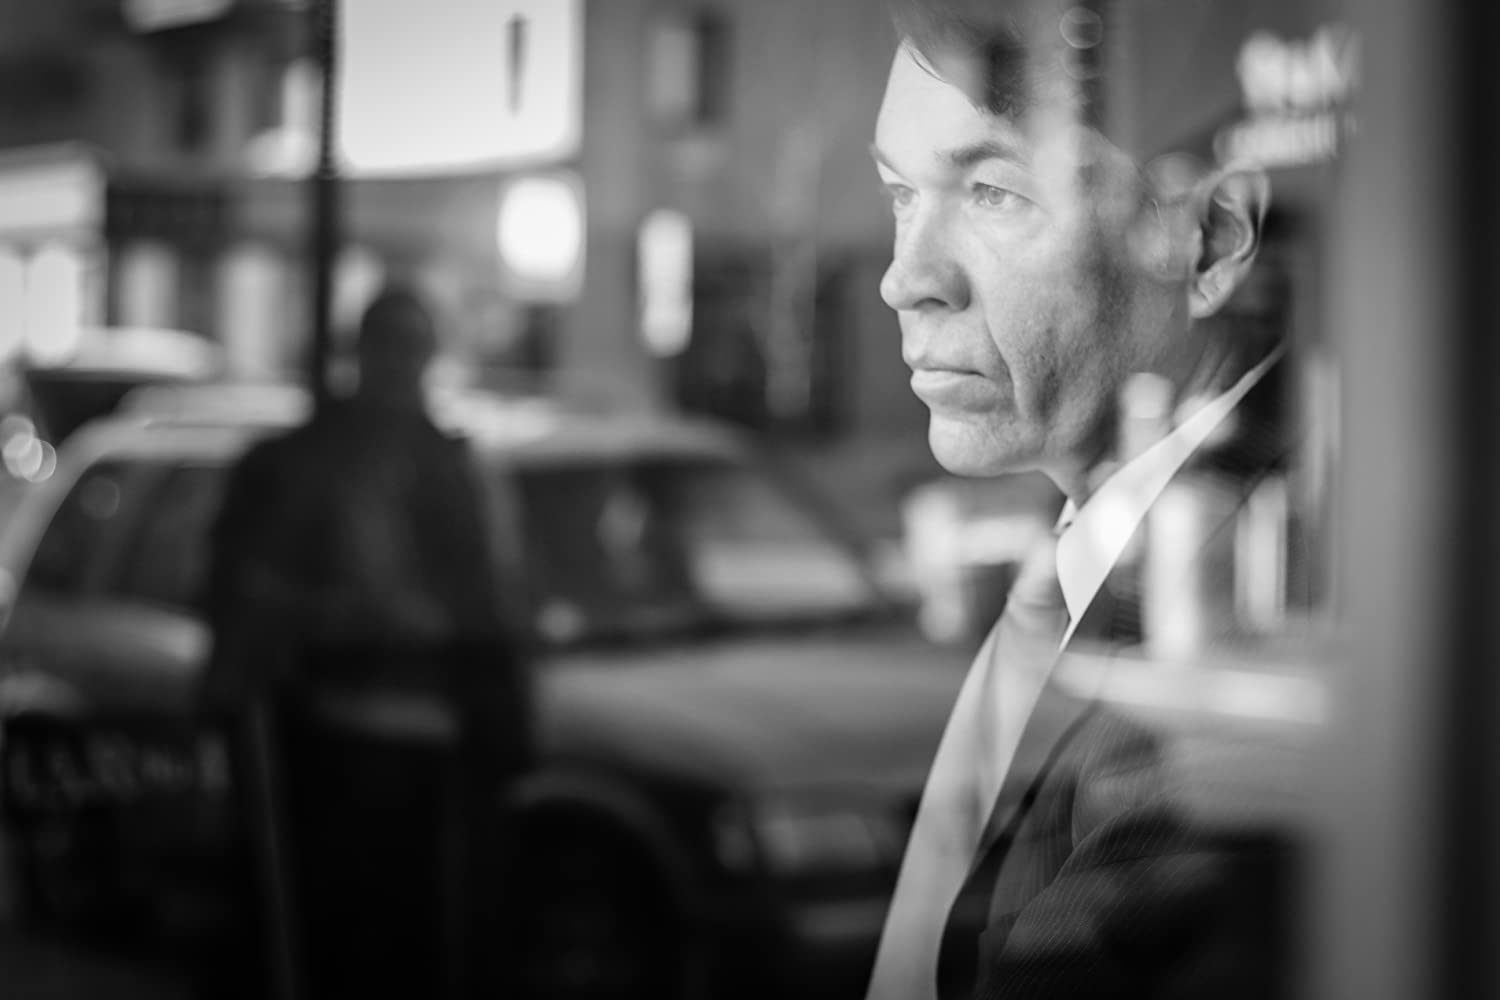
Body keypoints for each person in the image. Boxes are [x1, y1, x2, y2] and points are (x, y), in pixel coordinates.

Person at [865, 2, 1303, 998]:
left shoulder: (1255, 612)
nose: (905, 278)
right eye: (900, 192)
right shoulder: (1094, 544)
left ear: (1210, 242)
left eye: (992, 192)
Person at [202, 287, 534, 999]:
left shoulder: (453, 467)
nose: (400, 365)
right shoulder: (305, 463)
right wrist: (329, 618)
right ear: (363, 352)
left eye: (413, 347)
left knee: (423, 938)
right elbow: (250, 592)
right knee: (337, 935)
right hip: (328, 744)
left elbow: (489, 601)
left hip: (436, 744)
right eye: (388, 345)